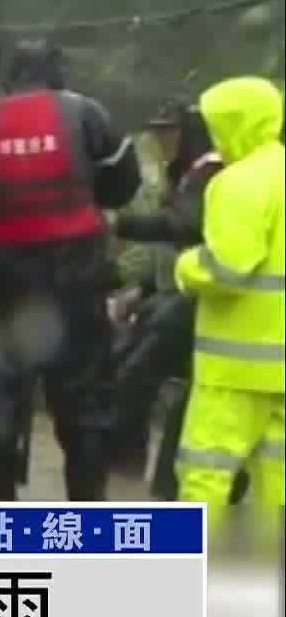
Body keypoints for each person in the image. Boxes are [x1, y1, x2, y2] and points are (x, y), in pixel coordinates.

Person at [0, 39, 142, 501]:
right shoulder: (87, 113)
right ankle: (87, 516)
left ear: (10, 76)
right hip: (78, 280)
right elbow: (125, 184)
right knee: (84, 405)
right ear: (57, 72)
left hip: (7, 284)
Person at [170, 76, 283, 536]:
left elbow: (228, 269)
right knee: (278, 479)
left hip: (234, 367)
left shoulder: (238, 183)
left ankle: (191, 567)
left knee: (206, 471)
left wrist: (185, 267)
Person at [106, 99, 224, 492]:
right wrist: (141, 288)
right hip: (175, 292)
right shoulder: (183, 173)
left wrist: (121, 223)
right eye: (156, 133)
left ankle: (152, 482)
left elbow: (184, 227)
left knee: (142, 374)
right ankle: (127, 473)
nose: (160, 141)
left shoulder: (212, 172)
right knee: (127, 367)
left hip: (204, 298)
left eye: (168, 132)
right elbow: (169, 251)